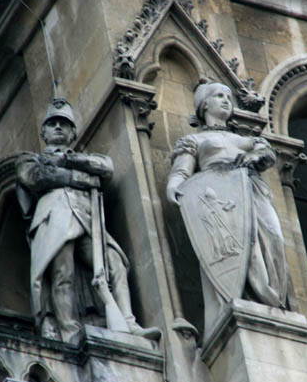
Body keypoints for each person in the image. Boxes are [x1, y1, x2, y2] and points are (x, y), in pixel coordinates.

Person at [16, 98, 160, 344]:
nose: (58, 127)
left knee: (115, 263)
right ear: (44, 132)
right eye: (53, 123)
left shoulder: (80, 157)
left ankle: (128, 322)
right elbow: (36, 177)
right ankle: (70, 335)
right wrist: (80, 178)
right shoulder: (29, 158)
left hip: (86, 218)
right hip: (54, 217)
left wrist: (69, 162)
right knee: (63, 274)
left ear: (73, 133)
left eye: (64, 124)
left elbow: (106, 167)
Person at [167, 80, 290, 336]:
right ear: (204, 105)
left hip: (252, 191)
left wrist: (254, 157)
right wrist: (174, 186)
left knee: (274, 237)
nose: (225, 100)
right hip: (222, 199)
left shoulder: (243, 139)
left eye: (227, 96)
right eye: (219, 96)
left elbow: (267, 156)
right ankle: (253, 297)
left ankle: (275, 297)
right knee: (246, 245)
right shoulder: (195, 140)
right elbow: (182, 171)